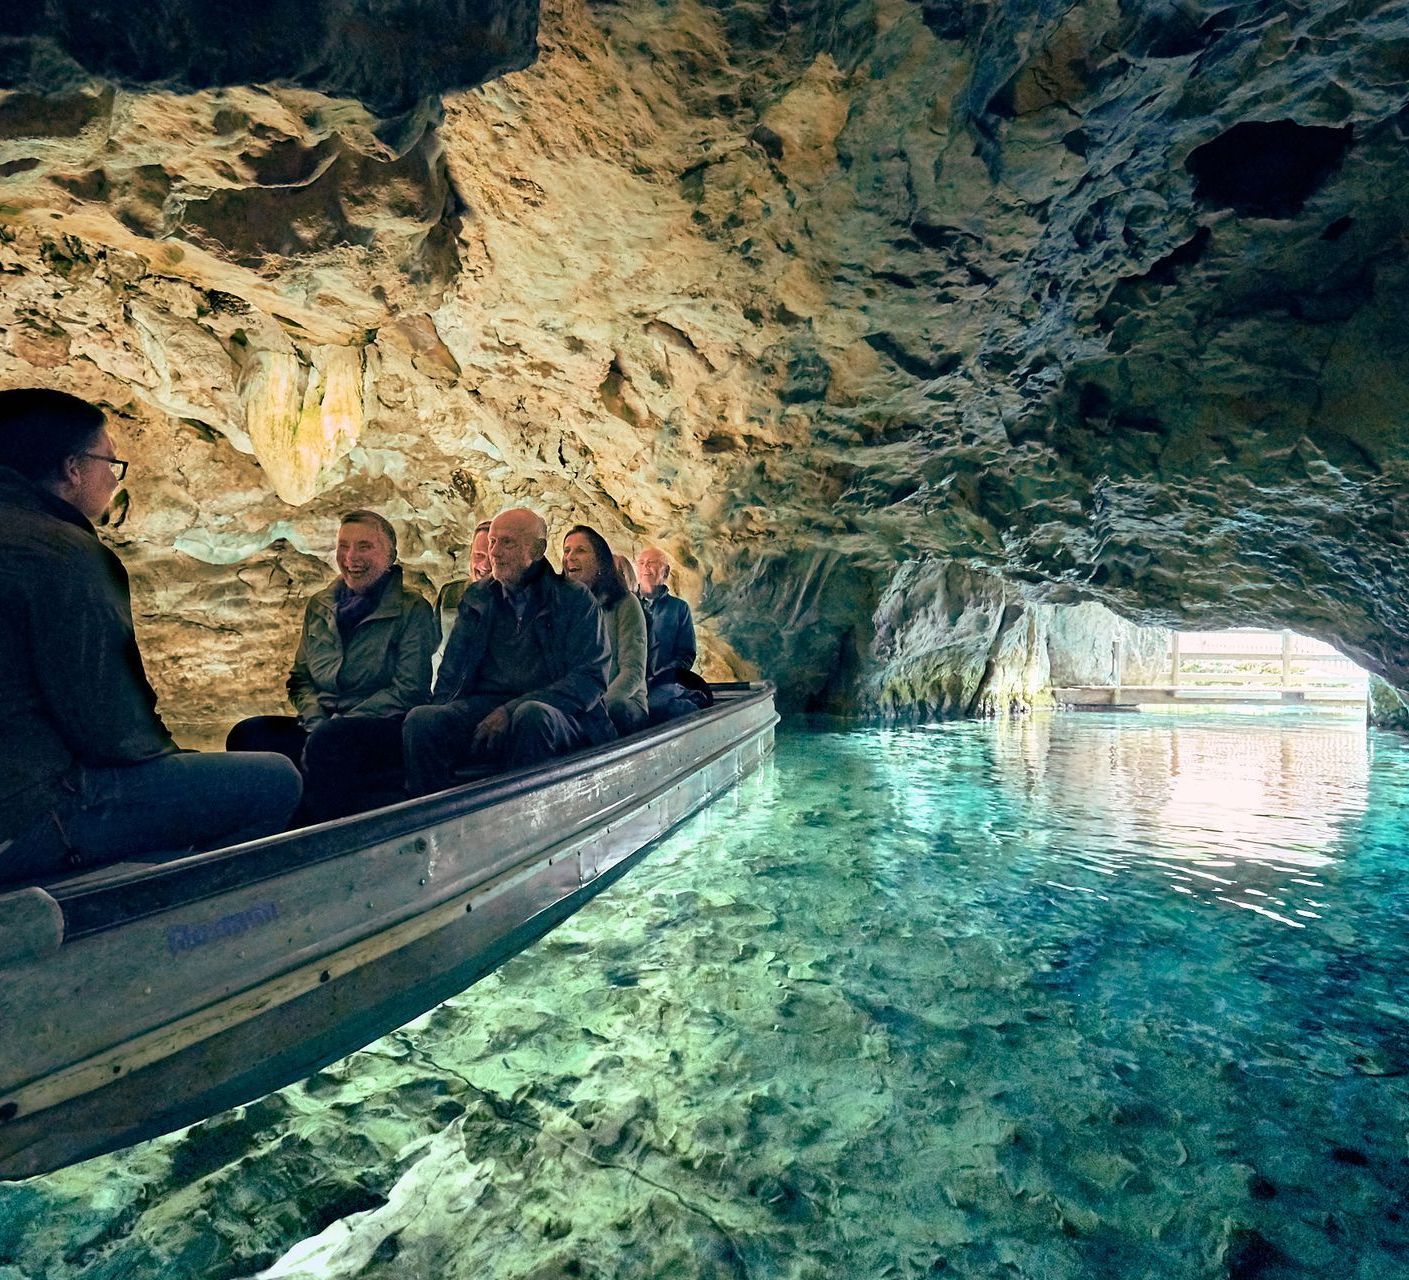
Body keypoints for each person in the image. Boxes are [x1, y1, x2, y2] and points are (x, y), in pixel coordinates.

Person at [0, 388, 301, 886]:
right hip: (31, 812)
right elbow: (112, 730)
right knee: (272, 781)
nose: (112, 480)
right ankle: (176, 918)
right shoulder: (61, 553)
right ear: (74, 468)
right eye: (109, 463)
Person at [227, 511, 436, 821]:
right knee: (248, 734)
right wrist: (315, 720)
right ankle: (262, 832)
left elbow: (409, 690)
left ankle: (323, 840)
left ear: (390, 555)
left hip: (382, 726)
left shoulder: (411, 609)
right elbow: (300, 679)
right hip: (323, 723)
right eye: (344, 545)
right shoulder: (321, 605)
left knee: (332, 743)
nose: (351, 556)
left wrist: (340, 722)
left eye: (364, 546)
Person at [403, 508, 612, 794]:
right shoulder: (478, 598)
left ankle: (522, 820)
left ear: (537, 550)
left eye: (508, 543)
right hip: (486, 704)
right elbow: (453, 669)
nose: (495, 553)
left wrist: (510, 711)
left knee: (531, 716)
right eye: (492, 542)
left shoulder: (574, 600)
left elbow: (589, 679)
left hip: (559, 710)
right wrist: (443, 711)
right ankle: (430, 821)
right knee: (422, 721)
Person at [563, 525, 648, 733]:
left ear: (600, 560)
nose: (570, 556)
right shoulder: (562, 607)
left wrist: (598, 706)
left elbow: (633, 670)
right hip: (579, 703)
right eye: (566, 551)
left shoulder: (625, 604)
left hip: (621, 701)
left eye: (580, 550)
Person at [636, 544, 704, 721]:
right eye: (641, 562)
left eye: (652, 563)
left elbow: (686, 653)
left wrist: (660, 677)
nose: (645, 567)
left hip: (664, 684)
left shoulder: (679, 608)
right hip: (631, 686)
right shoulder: (627, 606)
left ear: (665, 572)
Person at [432, 519, 491, 677]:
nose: (485, 565)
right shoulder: (450, 593)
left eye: (493, 557)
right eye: (479, 555)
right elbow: (431, 647)